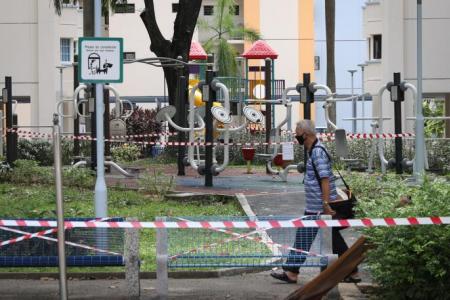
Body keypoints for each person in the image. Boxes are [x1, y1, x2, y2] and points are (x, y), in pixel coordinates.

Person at [270, 120, 360, 284]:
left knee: (327, 239)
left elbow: (324, 179)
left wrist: (325, 204)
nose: (295, 136)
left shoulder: (317, 152)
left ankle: (352, 271)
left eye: (297, 132)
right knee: (306, 237)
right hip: (316, 206)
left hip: (320, 207)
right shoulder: (314, 150)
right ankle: (292, 271)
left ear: (306, 134)